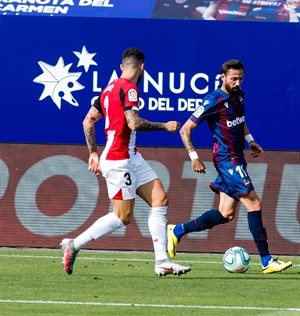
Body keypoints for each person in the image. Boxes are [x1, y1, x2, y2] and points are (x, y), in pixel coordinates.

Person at [60, 47, 191, 277]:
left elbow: (87, 122)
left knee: (160, 199)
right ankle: (74, 245)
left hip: (130, 156)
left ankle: (162, 261)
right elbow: (133, 123)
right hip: (119, 158)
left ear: (122, 66)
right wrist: (165, 126)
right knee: (123, 216)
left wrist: (93, 153)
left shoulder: (107, 89)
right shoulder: (130, 89)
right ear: (142, 67)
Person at [167, 59, 293, 274]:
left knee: (226, 213)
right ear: (222, 77)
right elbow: (185, 129)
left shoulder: (239, 95)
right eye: (233, 79)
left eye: (241, 79)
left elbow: (240, 121)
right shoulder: (213, 100)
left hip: (237, 156)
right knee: (254, 203)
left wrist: (250, 140)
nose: (237, 82)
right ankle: (266, 260)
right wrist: (194, 157)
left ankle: (177, 231)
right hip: (227, 161)